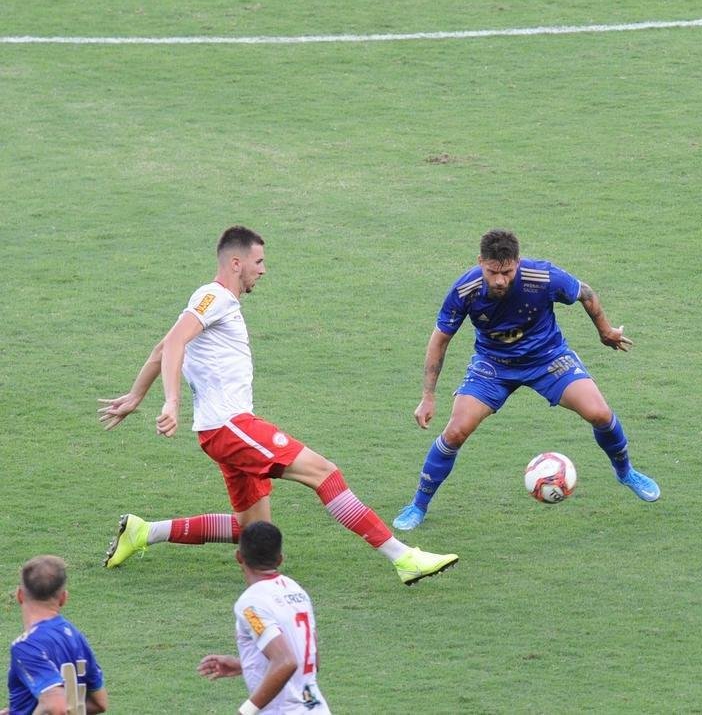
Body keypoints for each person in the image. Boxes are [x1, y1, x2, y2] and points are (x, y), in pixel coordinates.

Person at [98, 226, 457, 584]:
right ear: (236, 263)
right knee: (325, 474)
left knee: (253, 532)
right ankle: (403, 557)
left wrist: (135, 396)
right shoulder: (215, 297)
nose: (263, 270)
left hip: (220, 431)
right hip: (230, 426)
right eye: (259, 261)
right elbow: (174, 342)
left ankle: (143, 532)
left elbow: (162, 348)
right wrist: (171, 401)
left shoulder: (210, 302)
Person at [392, 229, 659, 530]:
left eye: (507, 271)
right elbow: (440, 340)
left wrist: (606, 331)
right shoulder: (464, 290)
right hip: (493, 365)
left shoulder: (542, 276)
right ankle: (418, 505)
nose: (500, 280)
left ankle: (625, 472)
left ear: (517, 263)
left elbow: (584, 292)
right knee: (454, 433)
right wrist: (428, 395)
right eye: (492, 271)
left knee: (600, 413)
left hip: (547, 359)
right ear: (481, 262)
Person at [198, 522, 329, 715]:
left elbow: (286, 661)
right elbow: (310, 659)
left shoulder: (251, 605)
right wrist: (246, 665)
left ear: (239, 557)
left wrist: (246, 711)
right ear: (280, 559)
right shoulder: (297, 591)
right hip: (315, 708)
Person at [5, 555, 107, 715]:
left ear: (19, 595)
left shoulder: (27, 646)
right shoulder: (76, 637)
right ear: (63, 598)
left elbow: (57, 708)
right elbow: (99, 703)